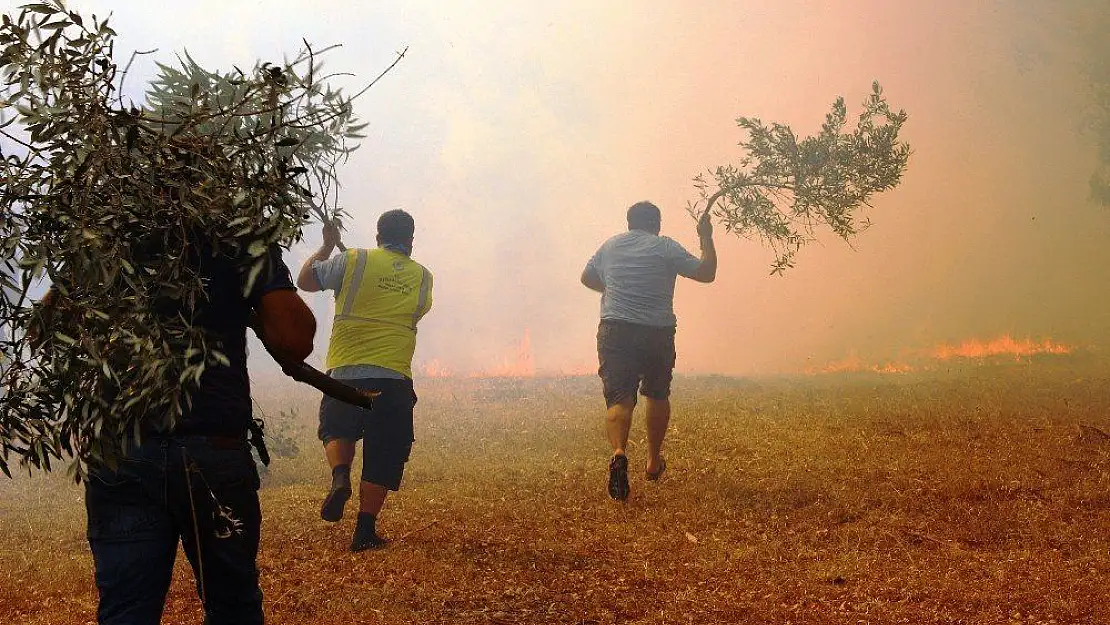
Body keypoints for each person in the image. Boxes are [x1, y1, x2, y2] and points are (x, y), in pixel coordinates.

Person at [78, 243, 317, 625]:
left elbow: (54, 324)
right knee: (232, 609)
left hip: (123, 450)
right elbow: (295, 340)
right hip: (211, 449)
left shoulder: (108, 228)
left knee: (126, 612)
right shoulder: (236, 233)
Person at [296, 209, 433, 551]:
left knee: (337, 428)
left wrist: (327, 247)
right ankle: (365, 530)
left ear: (377, 236)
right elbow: (416, 311)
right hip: (393, 374)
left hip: (346, 370)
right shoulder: (423, 278)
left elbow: (306, 280)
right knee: (385, 451)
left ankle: (340, 475)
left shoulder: (353, 260)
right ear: (411, 241)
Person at [580, 201, 716, 501]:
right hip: (656, 331)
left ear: (629, 223)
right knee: (656, 393)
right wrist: (706, 236)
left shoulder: (611, 246)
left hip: (616, 328)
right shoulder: (664, 247)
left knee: (619, 398)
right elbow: (706, 273)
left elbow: (587, 277)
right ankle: (653, 462)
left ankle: (619, 453)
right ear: (657, 224)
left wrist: (612, 289)